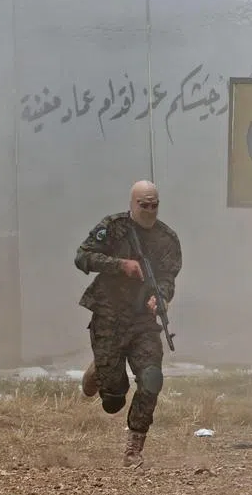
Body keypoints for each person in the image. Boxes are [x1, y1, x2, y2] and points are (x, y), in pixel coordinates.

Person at [74, 180, 182, 468]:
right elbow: (82, 257)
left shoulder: (166, 239)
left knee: (151, 378)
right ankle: (100, 370)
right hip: (108, 316)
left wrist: (161, 298)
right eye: (143, 205)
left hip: (142, 320)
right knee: (113, 400)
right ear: (132, 203)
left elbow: (168, 278)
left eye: (154, 205)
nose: (149, 210)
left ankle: (134, 448)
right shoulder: (114, 227)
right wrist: (120, 265)